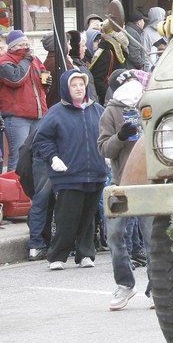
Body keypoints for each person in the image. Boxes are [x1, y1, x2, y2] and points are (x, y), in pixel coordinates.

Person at [32, 69, 106, 270]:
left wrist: (107, 156)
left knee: (88, 218)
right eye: (74, 85)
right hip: (68, 175)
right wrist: (53, 157)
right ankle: (57, 256)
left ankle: (85, 254)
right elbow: (41, 140)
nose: (79, 88)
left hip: (96, 173)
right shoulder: (56, 112)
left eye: (81, 84)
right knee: (67, 217)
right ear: (66, 88)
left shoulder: (98, 109)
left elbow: (107, 135)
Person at [97, 68, 153, 310]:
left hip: (149, 183)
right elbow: (104, 150)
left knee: (153, 238)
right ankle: (125, 284)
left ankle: (156, 286)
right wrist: (120, 136)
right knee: (115, 235)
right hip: (120, 183)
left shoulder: (149, 104)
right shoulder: (110, 112)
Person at [0, 29, 50, 173]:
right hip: (16, 117)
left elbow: (43, 76)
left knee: (36, 156)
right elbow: (16, 79)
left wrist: (46, 83)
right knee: (18, 157)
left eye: (27, 43)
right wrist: (26, 60)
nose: (26, 47)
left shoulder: (35, 60)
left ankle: (31, 192)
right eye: (22, 44)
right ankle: (13, 192)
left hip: (38, 114)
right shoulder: (4, 62)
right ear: (12, 47)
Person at [90, 22, 129, 104]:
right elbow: (97, 80)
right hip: (110, 101)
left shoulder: (118, 48)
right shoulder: (106, 52)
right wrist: (112, 95)